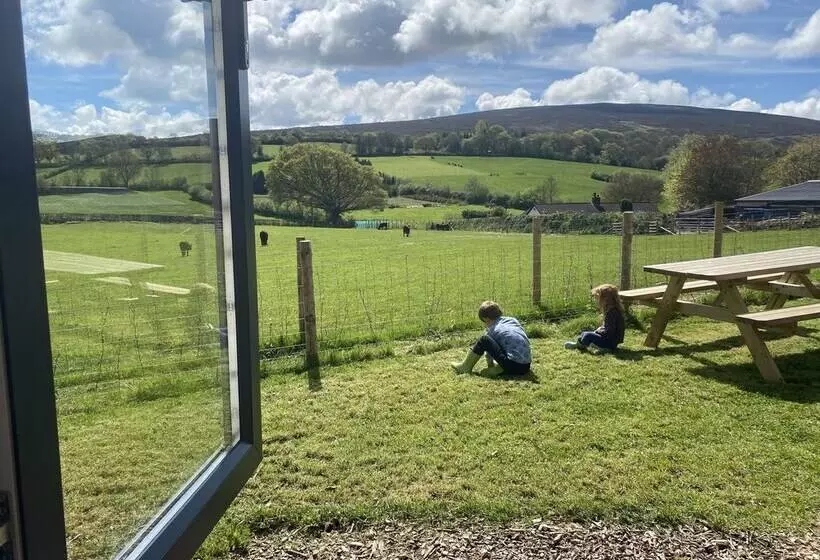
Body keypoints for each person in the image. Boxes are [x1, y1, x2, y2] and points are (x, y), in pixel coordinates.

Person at [451, 301, 531, 376]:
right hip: (526, 366)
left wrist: (490, 365)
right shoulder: (512, 320)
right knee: (507, 343)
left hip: (512, 365)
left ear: (486, 319)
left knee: (484, 339)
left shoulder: (493, 330)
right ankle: (501, 368)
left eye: (484, 322)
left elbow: (489, 353)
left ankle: (465, 367)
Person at [564, 284, 625, 353]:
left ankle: (581, 345)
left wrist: (599, 331)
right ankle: (583, 343)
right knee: (585, 333)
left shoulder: (612, 313)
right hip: (611, 341)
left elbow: (610, 331)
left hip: (610, 342)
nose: (596, 300)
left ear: (605, 299)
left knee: (588, 335)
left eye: (597, 298)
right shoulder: (613, 310)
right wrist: (600, 330)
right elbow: (608, 328)